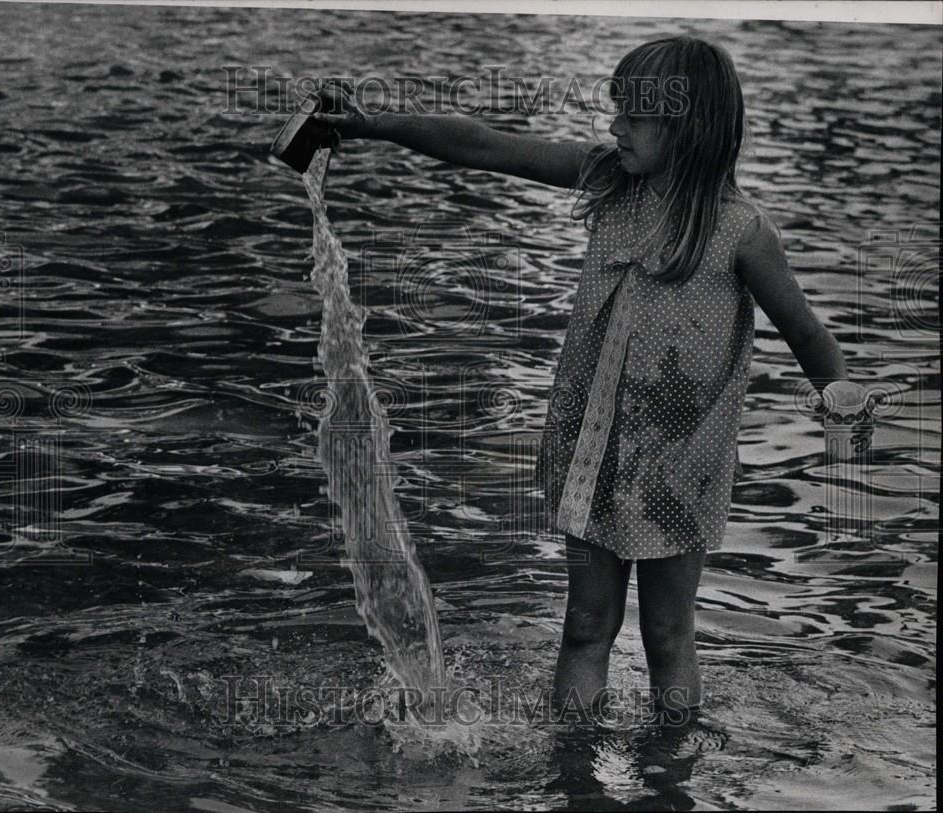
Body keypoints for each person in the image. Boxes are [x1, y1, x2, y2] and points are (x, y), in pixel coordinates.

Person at [311, 35, 879, 727]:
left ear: (686, 128)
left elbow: (809, 336)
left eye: (630, 117)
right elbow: (486, 144)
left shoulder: (741, 232)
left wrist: (842, 410)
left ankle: (670, 771)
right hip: (595, 454)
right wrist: (373, 124)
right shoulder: (609, 183)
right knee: (585, 622)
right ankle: (574, 772)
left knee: (668, 633)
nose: (612, 127)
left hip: (681, 467)